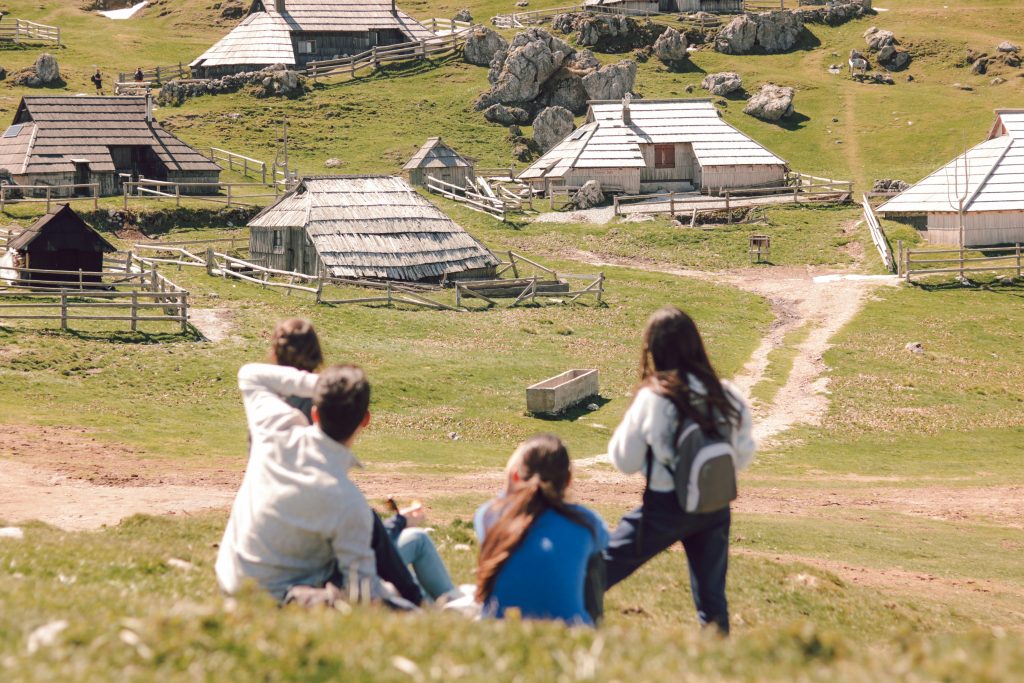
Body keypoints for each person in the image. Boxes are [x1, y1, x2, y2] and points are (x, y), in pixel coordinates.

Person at [264, 318, 457, 603]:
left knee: (412, 544)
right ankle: (438, 606)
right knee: (409, 572)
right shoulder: (334, 487)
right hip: (322, 570)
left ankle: (442, 601)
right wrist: (400, 520)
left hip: (281, 554)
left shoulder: (267, 415)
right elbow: (366, 537)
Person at [602, 305, 756, 635]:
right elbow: (741, 456)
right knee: (712, 600)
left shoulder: (655, 398)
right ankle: (717, 666)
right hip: (714, 505)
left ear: (653, 350)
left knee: (599, 571)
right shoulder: (726, 393)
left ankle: (566, 628)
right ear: (696, 343)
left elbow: (623, 460)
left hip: (665, 507)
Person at [216, 361, 391, 605]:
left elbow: (250, 374)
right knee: (387, 592)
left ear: (315, 412)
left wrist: (323, 386)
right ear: (365, 420)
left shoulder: (275, 432)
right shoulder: (350, 503)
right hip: (281, 599)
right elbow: (361, 590)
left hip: (232, 580)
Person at [475, 434, 608, 626]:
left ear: (514, 476)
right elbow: (604, 544)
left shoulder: (489, 515)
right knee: (594, 559)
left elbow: (504, 500)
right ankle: (592, 629)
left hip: (500, 632)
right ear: (568, 480)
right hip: (571, 636)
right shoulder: (588, 521)